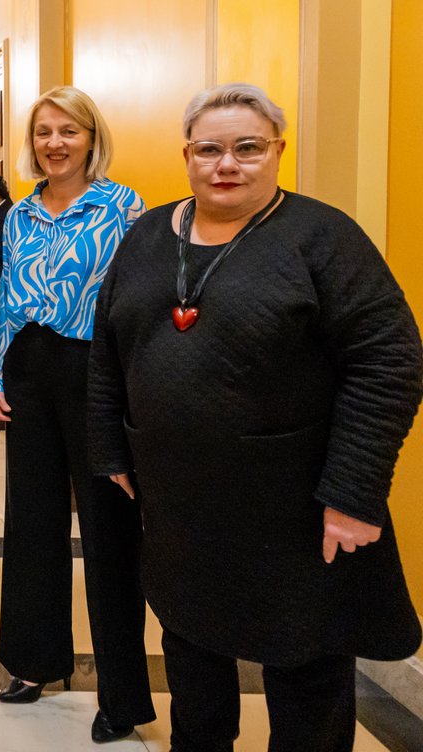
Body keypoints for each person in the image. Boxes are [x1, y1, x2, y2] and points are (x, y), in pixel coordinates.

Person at [88, 83, 423, 752]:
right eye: (209, 149)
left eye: (248, 148)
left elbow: (390, 362)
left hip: (294, 509)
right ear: (187, 154)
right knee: (192, 658)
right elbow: (109, 349)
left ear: (278, 151)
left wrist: (354, 494)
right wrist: (109, 449)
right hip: (181, 504)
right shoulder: (150, 234)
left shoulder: (321, 237)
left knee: (306, 672)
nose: (227, 164)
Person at [0, 86, 154, 743]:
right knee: (31, 521)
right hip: (27, 369)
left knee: (110, 530)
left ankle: (122, 695)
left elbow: (136, 301)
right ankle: (33, 663)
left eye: (69, 131)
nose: (55, 142)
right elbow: (4, 297)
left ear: (91, 137)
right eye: (45, 132)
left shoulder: (123, 206)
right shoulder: (18, 215)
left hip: (94, 372)